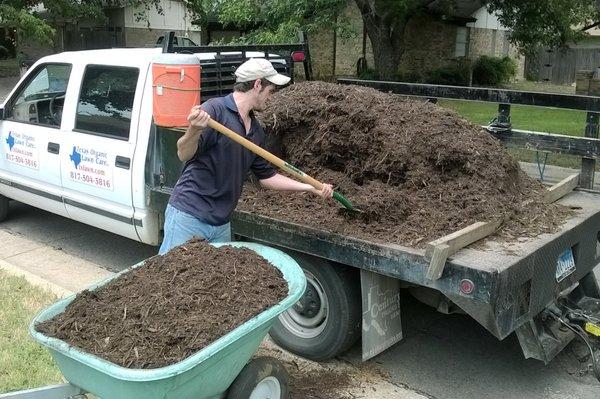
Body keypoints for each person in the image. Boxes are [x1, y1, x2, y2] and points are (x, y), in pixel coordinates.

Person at [159, 58, 334, 254]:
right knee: (175, 279)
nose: (272, 97)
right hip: (189, 216)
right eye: (271, 91)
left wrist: (309, 187)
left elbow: (267, 177)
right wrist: (194, 130)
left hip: (221, 224)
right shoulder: (215, 110)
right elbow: (183, 153)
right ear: (258, 84)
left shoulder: (256, 131)